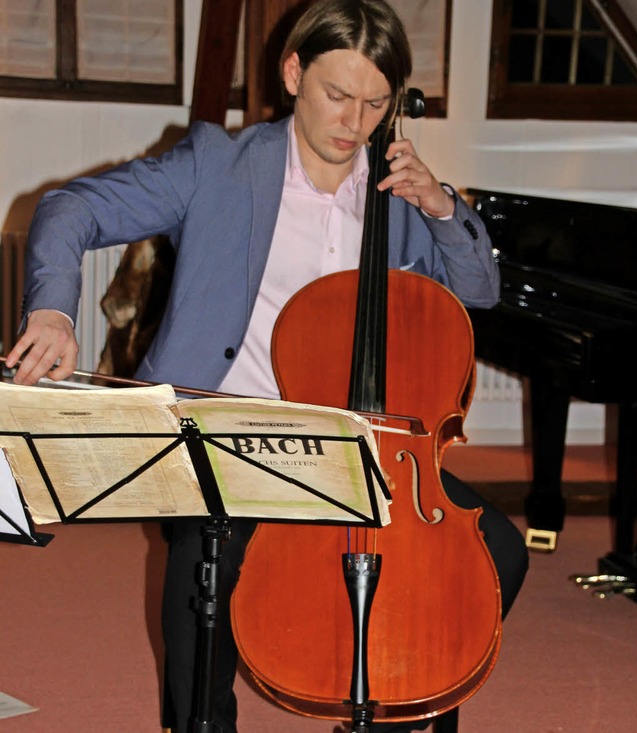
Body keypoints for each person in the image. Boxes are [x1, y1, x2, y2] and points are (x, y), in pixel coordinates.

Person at [6, 1, 529, 731]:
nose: (356, 122)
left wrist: (442, 205)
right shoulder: (217, 166)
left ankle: (403, 693)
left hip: (364, 442)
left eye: (377, 103)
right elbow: (70, 209)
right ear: (293, 74)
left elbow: (479, 290)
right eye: (337, 95)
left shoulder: (400, 194)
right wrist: (53, 310)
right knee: (203, 561)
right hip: (231, 430)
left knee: (495, 550)